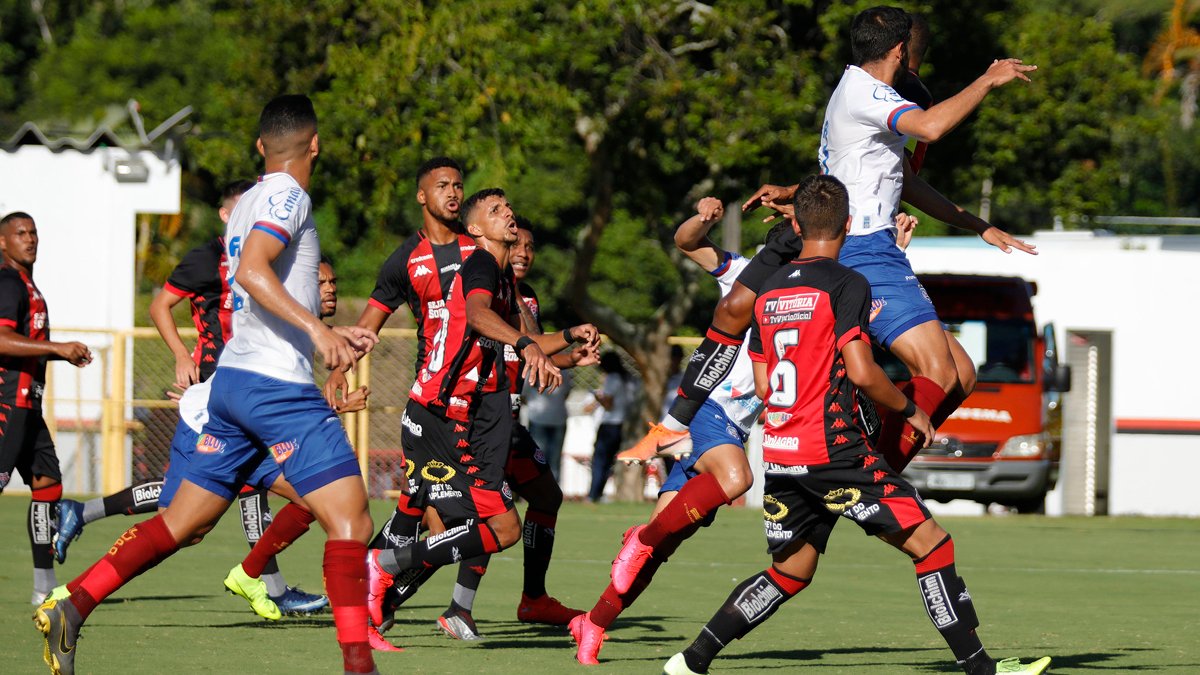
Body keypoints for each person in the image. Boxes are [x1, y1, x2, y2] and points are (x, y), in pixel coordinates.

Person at [34, 94, 383, 675]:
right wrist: (318, 335)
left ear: (259, 147)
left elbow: (259, 282)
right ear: (315, 145)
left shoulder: (246, 202)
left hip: (233, 384)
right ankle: (357, 664)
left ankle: (74, 601)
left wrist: (325, 327)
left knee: (183, 522)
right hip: (274, 388)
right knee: (352, 522)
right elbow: (252, 273)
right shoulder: (289, 195)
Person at [662, 174, 1050, 675]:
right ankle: (981, 668)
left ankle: (691, 661)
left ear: (796, 224)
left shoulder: (769, 287)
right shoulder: (850, 283)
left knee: (790, 571)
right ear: (849, 224)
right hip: (835, 454)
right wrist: (909, 410)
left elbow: (763, 385)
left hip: (781, 453)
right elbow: (864, 371)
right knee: (932, 545)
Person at [624, 5, 1037, 475]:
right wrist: (987, 79)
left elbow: (900, 180)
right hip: (862, 246)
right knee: (941, 373)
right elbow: (932, 127)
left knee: (960, 374)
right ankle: (866, 475)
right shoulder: (869, 95)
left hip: (847, 236)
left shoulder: (858, 92)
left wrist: (977, 225)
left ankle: (864, 455)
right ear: (901, 51)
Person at [51, 183, 328, 617]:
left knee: (304, 498)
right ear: (224, 215)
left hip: (247, 395)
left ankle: (262, 581)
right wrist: (184, 356)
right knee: (181, 522)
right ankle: (70, 592)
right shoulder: (211, 258)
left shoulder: (274, 257)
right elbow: (161, 305)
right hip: (221, 402)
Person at [363, 187, 596, 640]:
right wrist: (529, 344)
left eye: (509, 207)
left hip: (470, 420)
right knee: (472, 522)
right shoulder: (482, 265)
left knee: (502, 525)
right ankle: (385, 576)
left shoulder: (506, 280)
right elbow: (475, 315)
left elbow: (515, 338)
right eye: (495, 211)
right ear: (475, 230)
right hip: (443, 418)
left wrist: (569, 338)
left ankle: (390, 575)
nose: (508, 215)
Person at [570, 197, 766, 665]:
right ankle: (639, 538)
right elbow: (686, 241)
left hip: (731, 428)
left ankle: (592, 623)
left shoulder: (813, 291)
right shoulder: (747, 272)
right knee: (737, 481)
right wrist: (702, 218)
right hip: (707, 408)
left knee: (661, 545)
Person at [0, 211, 93, 605]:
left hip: (29, 406)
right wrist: (58, 348)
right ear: (3, 242)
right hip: (7, 402)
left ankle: (42, 587)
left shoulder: (27, 283)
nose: (30, 238)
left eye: (33, 232)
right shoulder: (7, 281)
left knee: (47, 487)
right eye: (20, 233)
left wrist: (60, 354)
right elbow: (2, 339)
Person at [585, 351, 633, 502]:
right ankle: (598, 493)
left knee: (599, 461)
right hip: (623, 424)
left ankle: (593, 494)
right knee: (609, 462)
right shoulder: (629, 379)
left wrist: (597, 397)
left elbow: (608, 405)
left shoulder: (612, 378)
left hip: (610, 424)